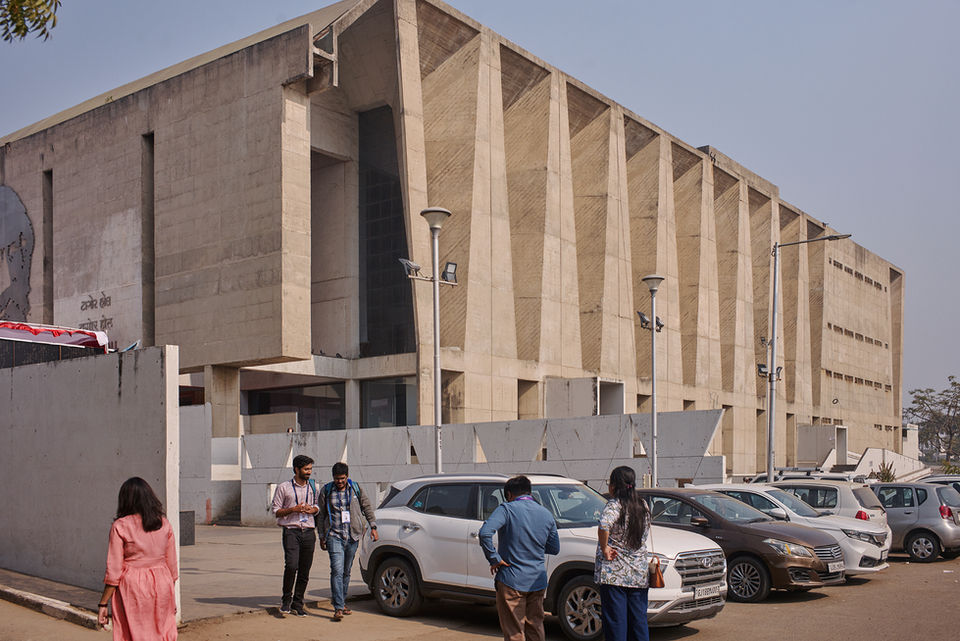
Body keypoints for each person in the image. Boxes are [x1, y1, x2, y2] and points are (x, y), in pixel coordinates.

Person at [478, 476, 560, 641]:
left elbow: (485, 533)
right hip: (537, 581)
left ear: (509, 494)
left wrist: (494, 558)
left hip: (511, 579)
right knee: (535, 627)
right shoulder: (546, 513)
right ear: (529, 492)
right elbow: (554, 548)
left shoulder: (506, 509)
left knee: (514, 631)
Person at [97, 477, 178, 641]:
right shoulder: (164, 524)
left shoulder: (121, 526)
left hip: (133, 586)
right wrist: (170, 594)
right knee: (161, 633)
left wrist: (103, 603)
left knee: (135, 633)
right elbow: (172, 568)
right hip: (163, 583)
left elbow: (114, 572)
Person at [317, 461, 378, 621]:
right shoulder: (326, 490)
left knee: (346, 571)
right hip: (334, 536)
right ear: (333, 477)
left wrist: (373, 526)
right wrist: (321, 536)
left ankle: (342, 601)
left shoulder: (355, 488)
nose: (340, 481)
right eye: (337, 478)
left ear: (347, 476)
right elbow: (321, 515)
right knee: (337, 570)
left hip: (353, 536)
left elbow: (367, 507)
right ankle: (338, 607)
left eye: (342, 478)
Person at [595, 466, 651, 641]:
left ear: (614, 485)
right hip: (638, 573)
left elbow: (604, 526)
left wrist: (605, 548)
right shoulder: (643, 505)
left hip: (615, 574)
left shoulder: (614, 505)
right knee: (638, 621)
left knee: (616, 622)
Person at [272, 454, 320, 616]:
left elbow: (318, 506)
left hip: (309, 532)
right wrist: (293, 509)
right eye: (306, 469)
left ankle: (298, 603)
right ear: (296, 469)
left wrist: (313, 509)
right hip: (291, 531)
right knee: (292, 566)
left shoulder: (314, 487)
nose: (309, 472)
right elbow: (276, 511)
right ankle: (286, 600)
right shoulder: (283, 487)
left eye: (310, 469)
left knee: (305, 570)